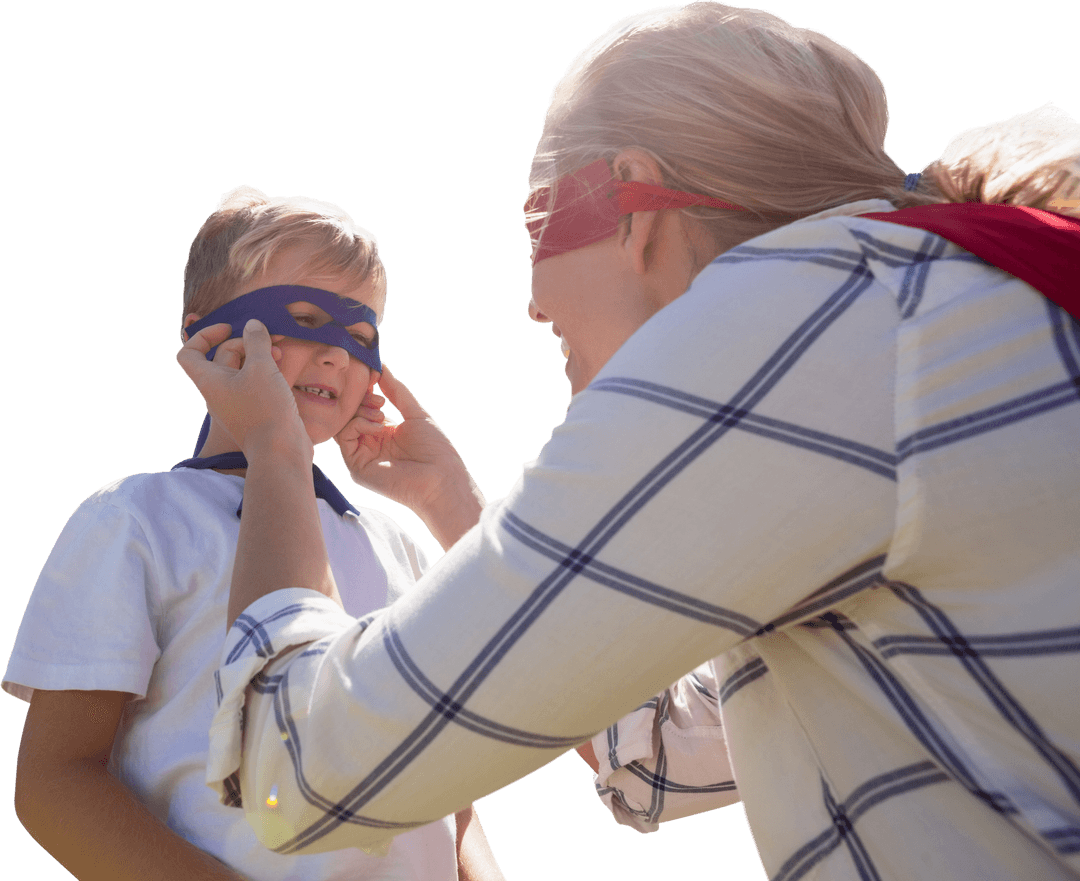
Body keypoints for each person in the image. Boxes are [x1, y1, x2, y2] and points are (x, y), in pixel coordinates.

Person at [180, 3, 1080, 879]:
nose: (532, 304)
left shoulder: (785, 324)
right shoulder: (936, 298)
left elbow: (295, 772)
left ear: (632, 204)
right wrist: (451, 502)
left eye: (537, 224)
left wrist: (275, 452)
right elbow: (668, 753)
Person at [5, 186, 502, 881]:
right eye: (302, 318)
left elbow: (451, 801)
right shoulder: (135, 520)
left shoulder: (396, 547)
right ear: (207, 336)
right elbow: (57, 781)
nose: (336, 354)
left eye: (361, 337)